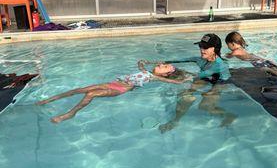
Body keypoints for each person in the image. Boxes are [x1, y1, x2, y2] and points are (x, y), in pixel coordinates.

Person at [37, 61, 191, 124]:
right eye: (162, 64)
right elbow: (140, 64)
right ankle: (50, 99)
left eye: (163, 67)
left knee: (91, 94)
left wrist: (184, 80)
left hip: (121, 88)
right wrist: (146, 62)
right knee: (81, 89)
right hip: (115, 83)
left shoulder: (154, 78)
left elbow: (173, 81)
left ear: (164, 74)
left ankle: (70, 114)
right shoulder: (147, 71)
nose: (160, 64)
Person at [155, 33, 236, 132]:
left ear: (214, 49)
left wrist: (180, 78)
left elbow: (197, 76)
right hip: (207, 78)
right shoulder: (201, 59)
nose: (202, 50)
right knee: (184, 95)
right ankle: (176, 121)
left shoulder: (219, 65)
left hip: (221, 82)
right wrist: (164, 61)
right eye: (201, 46)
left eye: (205, 47)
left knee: (204, 106)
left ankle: (228, 115)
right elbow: (185, 60)